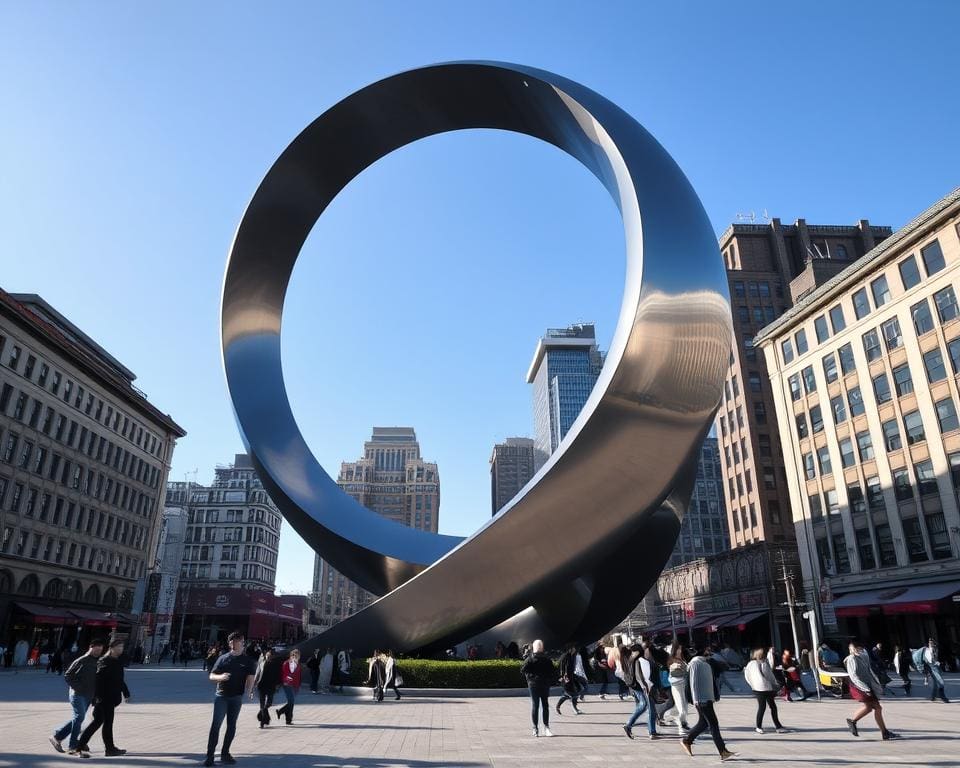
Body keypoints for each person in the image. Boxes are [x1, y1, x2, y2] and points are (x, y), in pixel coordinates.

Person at [204, 631, 257, 766]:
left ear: (242, 643)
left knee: (231, 726)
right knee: (216, 725)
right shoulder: (223, 658)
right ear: (229, 644)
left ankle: (225, 753)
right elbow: (211, 676)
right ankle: (210, 756)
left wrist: (250, 691)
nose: (235, 644)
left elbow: (250, 678)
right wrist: (220, 677)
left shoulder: (248, 661)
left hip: (236, 697)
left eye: (238, 641)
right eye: (233, 642)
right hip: (221, 696)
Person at [74, 638, 131, 758]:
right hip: (105, 698)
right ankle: (110, 749)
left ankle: (79, 745)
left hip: (109, 697)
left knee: (97, 721)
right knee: (108, 723)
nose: (121, 649)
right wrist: (97, 696)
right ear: (111, 648)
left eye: (122, 647)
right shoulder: (105, 661)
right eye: (118, 647)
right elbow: (98, 680)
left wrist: (126, 693)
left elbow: (119, 680)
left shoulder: (116, 661)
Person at [49, 638, 106, 754]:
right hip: (77, 694)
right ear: (91, 647)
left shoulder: (97, 662)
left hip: (88, 696)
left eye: (100, 650)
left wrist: (95, 695)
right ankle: (73, 745)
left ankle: (57, 737)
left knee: (77, 719)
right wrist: (78, 687)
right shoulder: (82, 660)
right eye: (96, 649)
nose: (98, 652)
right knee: (79, 717)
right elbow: (68, 675)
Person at [680, 647, 735, 761]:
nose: (709, 653)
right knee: (713, 724)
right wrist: (696, 700)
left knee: (704, 723)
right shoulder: (695, 663)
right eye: (706, 651)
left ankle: (687, 741)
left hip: (707, 698)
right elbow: (693, 683)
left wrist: (712, 696)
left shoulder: (705, 663)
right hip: (701, 700)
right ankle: (722, 751)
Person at [844, 638, 899, 740]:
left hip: (867, 686)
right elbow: (854, 676)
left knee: (869, 707)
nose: (854, 650)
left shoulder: (863, 655)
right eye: (852, 648)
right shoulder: (851, 659)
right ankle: (884, 732)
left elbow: (869, 670)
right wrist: (865, 689)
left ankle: (853, 721)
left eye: (856, 648)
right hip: (860, 687)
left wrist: (876, 682)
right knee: (877, 707)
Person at [744, 647, 788, 734]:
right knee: (773, 707)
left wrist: (752, 684)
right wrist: (775, 684)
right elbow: (769, 676)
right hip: (766, 688)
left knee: (761, 707)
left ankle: (758, 726)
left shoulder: (750, 664)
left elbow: (747, 676)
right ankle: (778, 726)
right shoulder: (763, 663)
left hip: (756, 688)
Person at [622, 644, 659, 740]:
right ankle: (652, 732)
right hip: (643, 687)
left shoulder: (631, 659)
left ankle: (629, 725)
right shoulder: (640, 660)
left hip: (636, 687)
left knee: (643, 706)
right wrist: (647, 686)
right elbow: (642, 676)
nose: (633, 653)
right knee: (650, 709)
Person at [521, 639, 555, 737]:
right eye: (539, 646)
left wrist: (530, 678)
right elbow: (523, 670)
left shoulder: (534, 658)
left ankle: (543, 727)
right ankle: (537, 728)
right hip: (538, 685)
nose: (540, 647)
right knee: (539, 705)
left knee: (541, 705)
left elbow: (523, 670)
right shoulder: (533, 659)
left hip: (537, 684)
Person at [661, 641, 690, 734]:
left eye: (680, 649)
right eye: (678, 649)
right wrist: (674, 666)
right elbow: (671, 667)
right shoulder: (672, 659)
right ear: (674, 650)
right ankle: (682, 725)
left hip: (684, 685)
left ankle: (675, 719)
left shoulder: (682, 658)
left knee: (683, 706)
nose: (680, 650)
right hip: (676, 686)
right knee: (682, 707)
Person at [254, 649, 281, 728]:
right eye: (267, 656)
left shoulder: (276, 664)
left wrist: (278, 685)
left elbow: (278, 675)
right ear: (265, 656)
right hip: (261, 685)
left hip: (271, 686)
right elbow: (257, 673)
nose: (268, 657)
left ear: (272, 657)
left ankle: (260, 713)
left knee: (269, 703)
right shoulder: (261, 663)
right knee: (262, 703)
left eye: (270, 656)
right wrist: (254, 682)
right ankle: (262, 722)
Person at [276, 649, 302, 723]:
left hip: (295, 685)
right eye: (294, 655)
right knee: (291, 701)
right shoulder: (287, 663)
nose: (296, 656)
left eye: (297, 655)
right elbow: (286, 674)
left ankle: (288, 719)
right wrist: (288, 682)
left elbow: (299, 675)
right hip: (288, 684)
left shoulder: (297, 663)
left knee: (291, 702)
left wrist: (298, 685)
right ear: (291, 655)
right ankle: (281, 712)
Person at [555, 645, 583, 714]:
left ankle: (558, 706)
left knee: (568, 694)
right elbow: (563, 668)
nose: (574, 649)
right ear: (570, 649)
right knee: (574, 694)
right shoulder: (566, 656)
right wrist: (564, 676)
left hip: (570, 677)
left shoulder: (570, 656)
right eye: (573, 648)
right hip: (567, 678)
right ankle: (575, 709)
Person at [923, 638, 949, 702]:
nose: (931, 643)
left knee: (936, 683)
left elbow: (941, 657)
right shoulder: (926, 650)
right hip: (931, 668)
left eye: (932, 642)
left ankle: (933, 697)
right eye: (929, 642)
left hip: (936, 667)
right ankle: (943, 697)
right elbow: (925, 661)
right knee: (940, 682)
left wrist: (941, 662)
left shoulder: (937, 649)